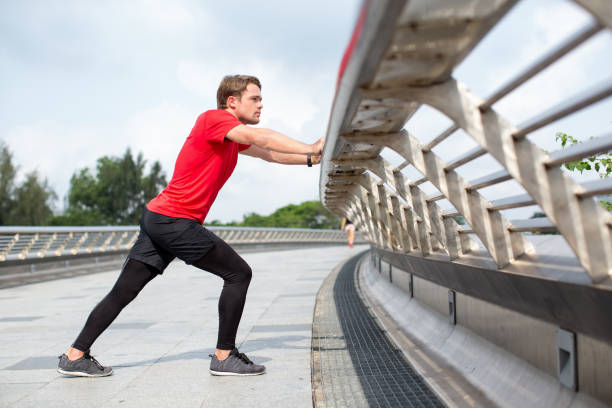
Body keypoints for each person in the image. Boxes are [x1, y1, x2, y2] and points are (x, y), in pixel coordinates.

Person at [57, 75, 323, 378]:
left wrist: (310, 158)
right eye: (255, 98)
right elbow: (263, 138)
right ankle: (224, 356)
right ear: (232, 101)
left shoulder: (232, 138)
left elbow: (268, 154)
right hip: (175, 221)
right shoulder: (214, 119)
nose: (261, 104)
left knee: (124, 291)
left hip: (160, 217)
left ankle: (74, 355)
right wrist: (310, 144)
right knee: (239, 273)